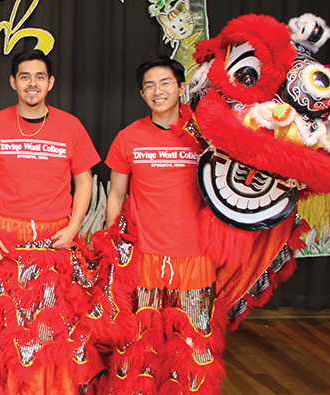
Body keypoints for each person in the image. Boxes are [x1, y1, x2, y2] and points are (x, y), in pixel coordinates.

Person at [0, 49, 103, 395]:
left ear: (50, 83)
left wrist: (73, 228)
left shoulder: (70, 126)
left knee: (50, 331)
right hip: (3, 243)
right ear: (13, 82)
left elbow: (85, 181)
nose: (32, 83)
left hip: (53, 242)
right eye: (25, 76)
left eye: (39, 77)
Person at [100, 54, 224, 394]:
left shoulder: (206, 135)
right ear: (142, 95)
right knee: (138, 341)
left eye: (165, 83)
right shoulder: (128, 137)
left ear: (182, 88)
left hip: (195, 254)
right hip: (144, 255)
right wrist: (116, 243)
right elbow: (115, 195)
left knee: (192, 344)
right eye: (150, 86)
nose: (158, 91)